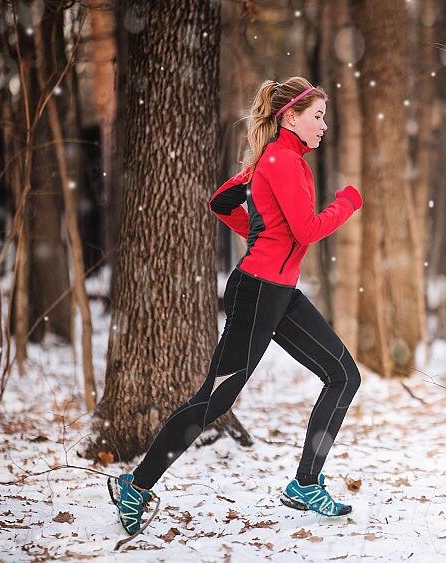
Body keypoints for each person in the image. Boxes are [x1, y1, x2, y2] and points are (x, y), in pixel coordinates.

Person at [111, 77, 364, 535]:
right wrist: (346, 203)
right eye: (318, 116)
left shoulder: (281, 160)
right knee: (214, 398)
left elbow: (221, 201)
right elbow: (306, 230)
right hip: (257, 293)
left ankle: (305, 484)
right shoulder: (282, 160)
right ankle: (136, 484)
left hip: (280, 291)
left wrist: (257, 229)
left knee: (344, 375)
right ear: (291, 116)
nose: (324, 125)